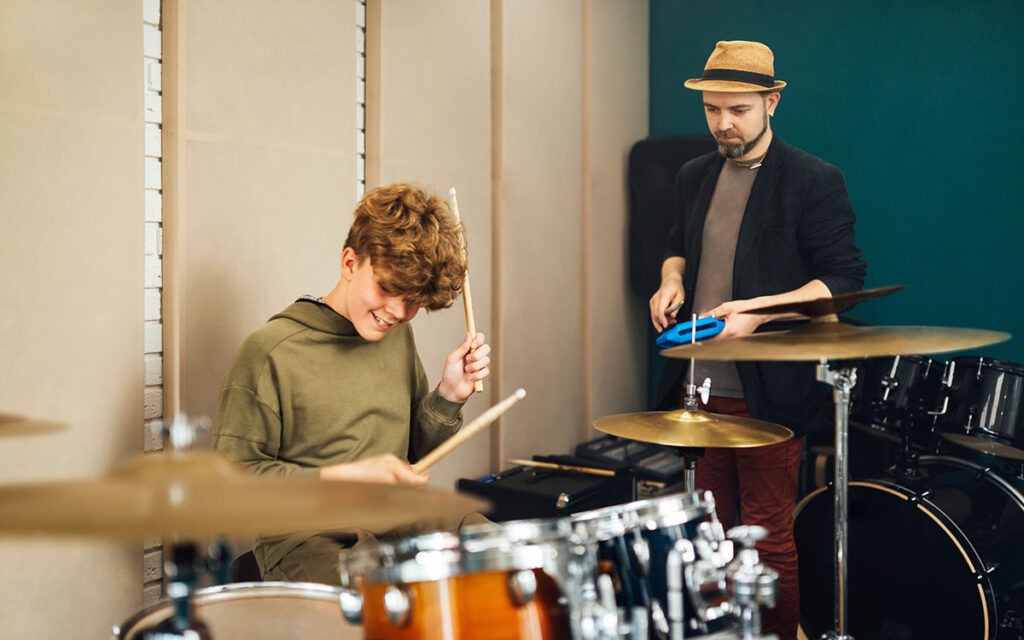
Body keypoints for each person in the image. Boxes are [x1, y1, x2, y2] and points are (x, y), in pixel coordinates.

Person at [649, 41, 866, 640]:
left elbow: (844, 280)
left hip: (770, 388)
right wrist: (671, 278)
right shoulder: (695, 175)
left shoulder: (814, 178)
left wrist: (759, 315)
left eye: (739, 109)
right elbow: (677, 242)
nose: (724, 123)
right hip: (700, 384)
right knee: (710, 532)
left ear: (772, 101)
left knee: (767, 533)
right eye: (713, 109)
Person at [213, 182, 491, 585]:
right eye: (388, 288)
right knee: (382, 599)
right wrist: (343, 480)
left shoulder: (396, 335)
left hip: (397, 516)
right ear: (349, 263)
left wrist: (449, 396)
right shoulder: (272, 351)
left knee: (497, 552)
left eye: (412, 300)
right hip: (309, 535)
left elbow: (413, 453)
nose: (397, 312)